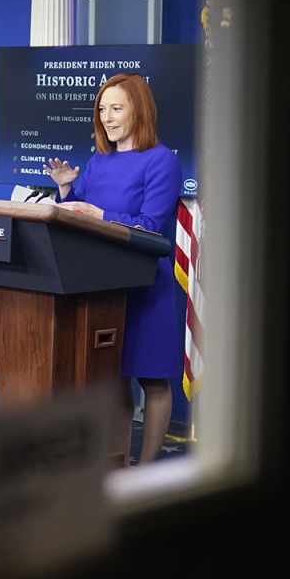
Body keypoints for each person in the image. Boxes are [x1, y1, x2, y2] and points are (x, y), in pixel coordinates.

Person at [45, 73, 183, 465]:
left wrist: (98, 212)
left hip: (145, 281)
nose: (107, 117)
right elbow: (79, 213)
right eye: (102, 109)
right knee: (116, 373)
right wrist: (67, 190)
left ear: (139, 109)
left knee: (153, 377)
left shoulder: (162, 160)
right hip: (105, 281)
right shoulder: (98, 160)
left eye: (116, 108)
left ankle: (149, 465)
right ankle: (120, 461)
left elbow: (151, 225)